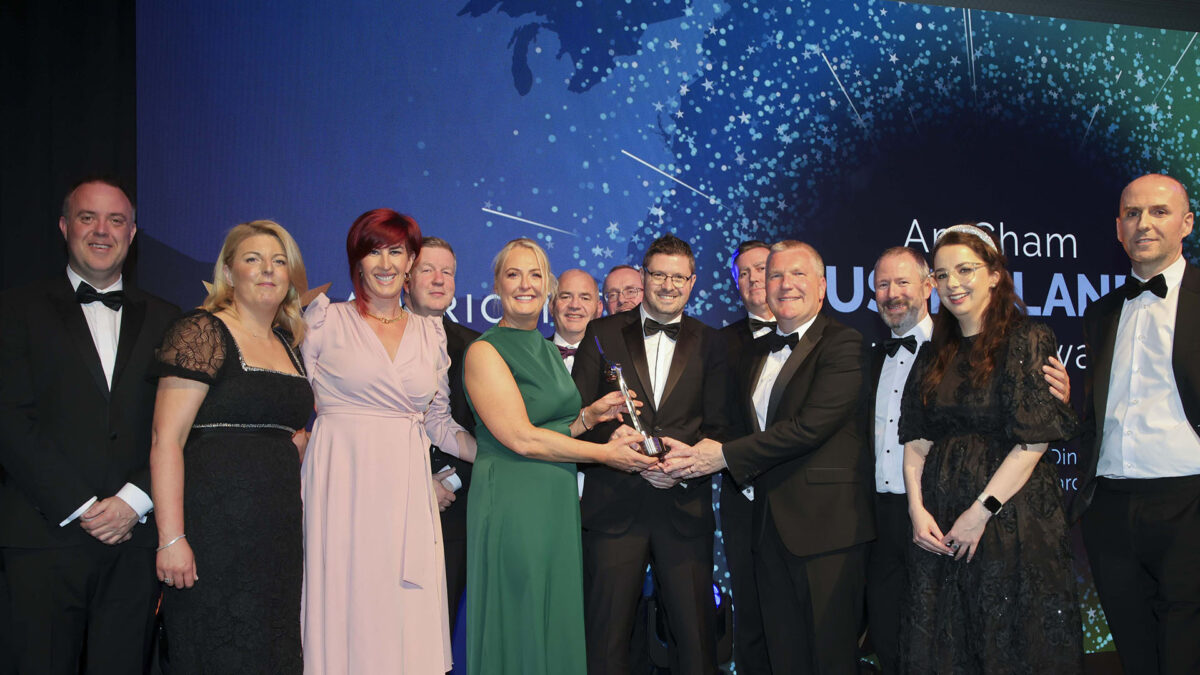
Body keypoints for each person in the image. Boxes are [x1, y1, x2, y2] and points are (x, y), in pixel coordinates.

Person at [664, 240, 873, 675]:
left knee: (830, 655)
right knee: (784, 653)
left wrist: (721, 457)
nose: (784, 284)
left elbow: (809, 428)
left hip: (826, 530)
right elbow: (724, 422)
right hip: (765, 528)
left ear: (822, 286)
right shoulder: (754, 353)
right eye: (775, 275)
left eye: (797, 275)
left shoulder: (844, 344)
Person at [0, 178, 179, 674]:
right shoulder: (13, 310)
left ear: (133, 232)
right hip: (42, 536)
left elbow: (181, 429)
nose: (102, 231)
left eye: (116, 220)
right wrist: (80, 505)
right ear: (64, 227)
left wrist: (132, 502)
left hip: (134, 538)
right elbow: (9, 419)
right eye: (87, 217)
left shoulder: (171, 319)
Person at [865, 246, 1072, 673]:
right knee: (948, 645)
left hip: (1008, 521)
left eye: (965, 270)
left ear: (995, 275)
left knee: (1006, 641)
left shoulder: (1028, 338)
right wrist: (917, 509)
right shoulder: (932, 353)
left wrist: (980, 513)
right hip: (939, 525)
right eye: (943, 274)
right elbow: (916, 441)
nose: (952, 282)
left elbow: (1033, 442)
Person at [462, 237, 656, 675]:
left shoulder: (547, 349)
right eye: (514, 274)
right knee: (520, 613)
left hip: (555, 501)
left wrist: (591, 414)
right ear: (497, 285)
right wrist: (605, 453)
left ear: (546, 286)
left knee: (555, 615)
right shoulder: (484, 351)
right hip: (513, 500)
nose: (525, 285)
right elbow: (522, 438)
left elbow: (553, 428)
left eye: (535, 275)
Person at [302, 209, 477, 674]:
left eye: (395, 251)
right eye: (372, 251)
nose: (384, 263)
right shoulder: (323, 320)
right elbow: (284, 399)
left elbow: (438, 419)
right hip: (342, 479)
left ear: (411, 261)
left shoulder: (430, 332)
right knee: (345, 600)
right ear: (356, 261)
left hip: (405, 487)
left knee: (402, 609)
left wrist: (501, 456)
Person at [150, 220, 313, 673]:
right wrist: (172, 538)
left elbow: (284, 431)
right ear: (228, 270)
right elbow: (167, 440)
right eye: (253, 259)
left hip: (276, 538)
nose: (268, 270)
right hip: (211, 534)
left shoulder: (288, 341)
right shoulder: (201, 331)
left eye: (279, 262)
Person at [572, 234, 730, 675]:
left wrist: (683, 468)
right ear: (643, 277)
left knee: (696, 644)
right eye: (659, 274)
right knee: (605, 643)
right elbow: (578, 418)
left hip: (682, 508)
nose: (668, 285)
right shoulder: (601, 333)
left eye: (678, 277)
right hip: (614, 507)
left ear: (693, 282)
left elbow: (720, 427)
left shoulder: (712, 342)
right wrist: (615, 451)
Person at [1075, 173, 1200, 675]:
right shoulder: (1102, 312)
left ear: (1186, 224)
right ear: (1118, 229)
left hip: (1187, 500)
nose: (1143, 223)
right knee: (1132, 644)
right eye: (1132, 214)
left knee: (1185, 646)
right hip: (1109, 505)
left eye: (1159, 212)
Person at [403, 235, 479, 639]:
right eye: (428, 269)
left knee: (436, 635)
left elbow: (474, 431)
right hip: (387, 506)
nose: (439, 279)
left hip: (454, 512)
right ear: (405, 276)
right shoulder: (371, 339)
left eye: (447, 271)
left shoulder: (475, 348)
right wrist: (417, 484)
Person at [715, 240, 773, 675]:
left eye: (762, 269)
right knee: (750, 612)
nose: (754, 279)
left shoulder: (827, 338)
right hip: (743, 498)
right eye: (745, 273)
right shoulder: (717, 344)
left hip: (805, 501)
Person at [551, 268, 603, 373]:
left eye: (585, 298)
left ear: (599, 309)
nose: (574, 305)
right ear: (551, 306)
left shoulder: (614, 356)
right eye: (566, 297)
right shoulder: (531, 355)